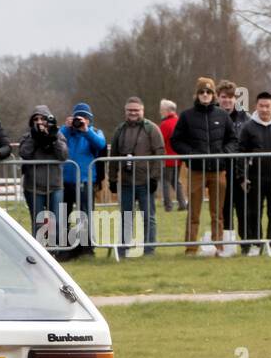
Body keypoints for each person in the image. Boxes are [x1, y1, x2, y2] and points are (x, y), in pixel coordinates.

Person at [171, 77, 238, 251]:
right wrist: (190, 154)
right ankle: (191, 248)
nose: (205, 95)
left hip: (218, 171)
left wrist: (225, 154)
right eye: (202, 92)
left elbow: (233, 139)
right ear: (197, 94)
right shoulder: (186, 116)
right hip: (196, 171)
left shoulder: (222, 115)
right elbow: (176, 141)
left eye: (209, 92)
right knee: (193, 212)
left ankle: (219, 246)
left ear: (214, 95)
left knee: (218, 213)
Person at [108, 97, 165, 256]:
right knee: (126, 217)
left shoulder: (151, 129)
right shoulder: (119, 130)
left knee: (148, 217)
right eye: (130, 110)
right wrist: (112, 179)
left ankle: (149, 250)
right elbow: (113, 157)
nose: (133, 113)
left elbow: (160, 153)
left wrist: (154, 177)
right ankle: (123, 249)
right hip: (126, 183)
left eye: (136, 110)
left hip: (146, 182)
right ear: (125, 111)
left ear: (142, 111)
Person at [237, 91, 271, 255]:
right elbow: (240, 154)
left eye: (267, 106)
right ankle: (256, 244)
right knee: (254, 211)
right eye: (261, 106)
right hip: (255, 177)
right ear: (256, 106)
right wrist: (242, 176)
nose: (264, 109)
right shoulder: (248, 126)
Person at [57, 102, 104, 253]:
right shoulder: (65, 132)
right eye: (78, 118)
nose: (80, 121)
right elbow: (55, 141)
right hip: (64, 181)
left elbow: (101, 144)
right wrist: (66, 127)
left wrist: (86, 131)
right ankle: (65, 248)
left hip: (85, 180)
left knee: (84, 214)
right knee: (63, 214)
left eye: (84, 118)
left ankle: (85, 248)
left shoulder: (94, 132)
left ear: (89, 120)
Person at [19, 105, 68, 249]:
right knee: (39, 221)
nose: (39, 122)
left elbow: (63, 155)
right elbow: (25, 154)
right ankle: (39, 250)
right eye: (36, 119)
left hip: (55, 185)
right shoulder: (27, 136)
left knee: (56, 220)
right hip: (33, 185)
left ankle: (55, 250)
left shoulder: (58, 134)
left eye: (43, 119)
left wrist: (52, 139)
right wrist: (35, 137)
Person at [216, 80, 250, 249]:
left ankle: (245, 244)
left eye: (230, 97)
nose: (227, 100)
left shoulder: (245, 118)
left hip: (241, 170)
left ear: (235, 99)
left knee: (243, 209)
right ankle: (228, 244)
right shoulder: (212, 116)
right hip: (220, 170)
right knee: (224, 209)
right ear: (218, 98)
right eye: (224, 97)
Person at [158, 100, 186, 212]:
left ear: (167, 110)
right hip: (178, 158)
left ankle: (168, 206)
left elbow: (160, 142)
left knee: (165, 182)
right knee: (176, 181)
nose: (160, 111)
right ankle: (182, 203)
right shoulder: (179, 121)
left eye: (161, 109)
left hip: (167, 158)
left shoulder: (165, 124)